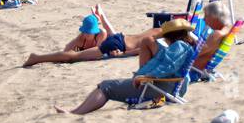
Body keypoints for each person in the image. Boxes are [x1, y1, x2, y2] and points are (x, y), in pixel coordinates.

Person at [54, 19, 197, 114]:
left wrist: (146, 77)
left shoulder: (179, 46)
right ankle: (76, 111)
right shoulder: (182, 46)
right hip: (168, 86)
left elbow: (168, 66)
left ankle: (75, 113)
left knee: (106, 86)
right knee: (146, 43)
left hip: (161, 89)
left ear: (170, 35)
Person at [23, 5, 158, 67]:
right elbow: (141, 49)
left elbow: (113, 33)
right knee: (73, 57)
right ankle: (37, 58)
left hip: (120, 38)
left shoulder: (157, 28)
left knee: (74, 54)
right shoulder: (162, 39)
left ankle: (101, 14)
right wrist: (122, 54)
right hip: (118, 44)